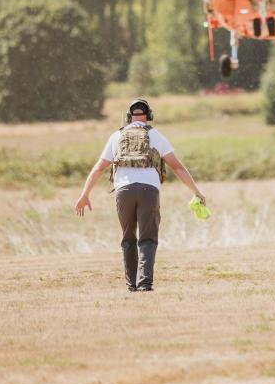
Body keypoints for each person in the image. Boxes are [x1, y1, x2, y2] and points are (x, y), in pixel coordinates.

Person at [74, 98, 207, 292]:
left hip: (124, 191)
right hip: (149, 190)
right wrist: (197, 191)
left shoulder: (116, 136)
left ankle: (131, 285)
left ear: (128, 118)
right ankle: (144, 284)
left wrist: (84, 194)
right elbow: (177, 167)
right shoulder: (156, 136)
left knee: (128, 238)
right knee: (148, 238)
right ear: (149, 116)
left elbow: (99, 168)